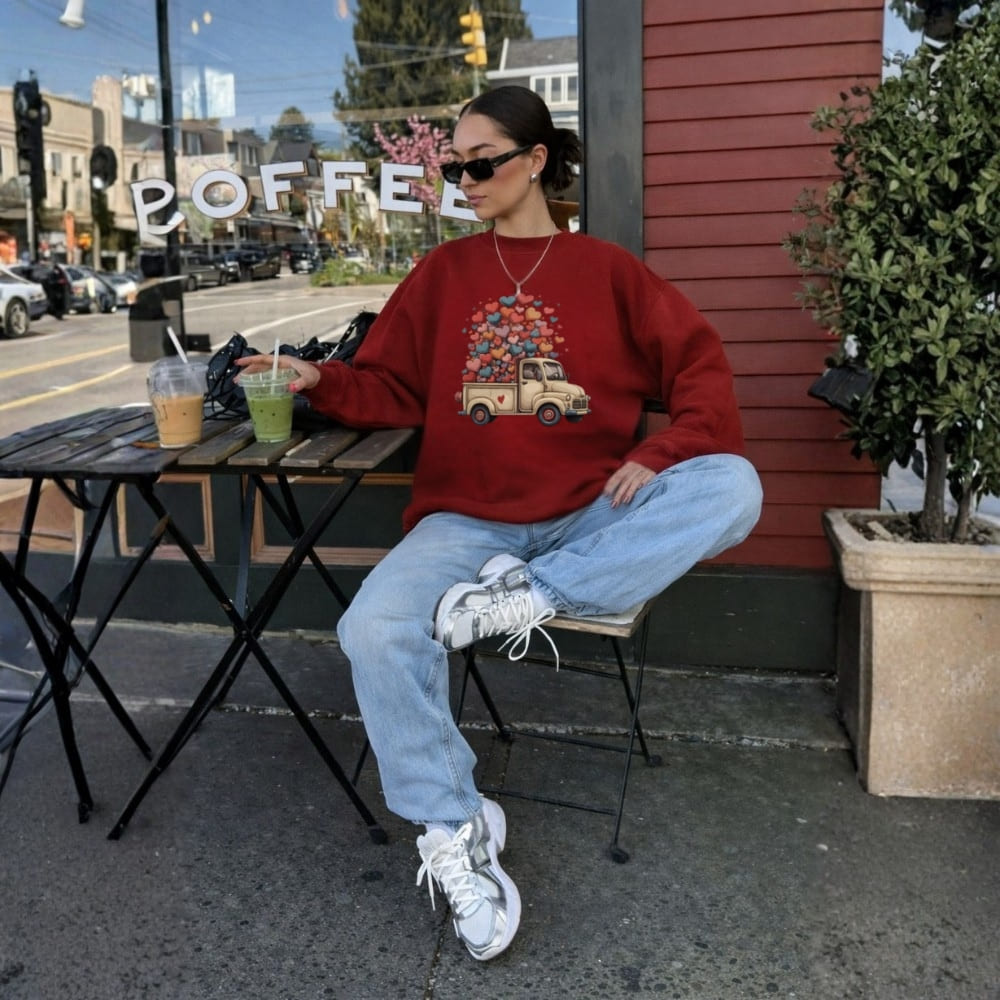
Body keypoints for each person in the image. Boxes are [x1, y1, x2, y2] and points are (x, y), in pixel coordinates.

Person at [236, 85, 762, 962]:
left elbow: (701, 368)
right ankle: (455, 825)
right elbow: (391, 388)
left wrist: (663, 455)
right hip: (469, 526)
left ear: (535, 163)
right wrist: (317, 384)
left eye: (482, 162)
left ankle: (528, 598)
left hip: (594, 516)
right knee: (372, 627)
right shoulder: (444, 274)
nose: (465, 178)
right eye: (455, 164)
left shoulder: (607, 270)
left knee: (735, 488)